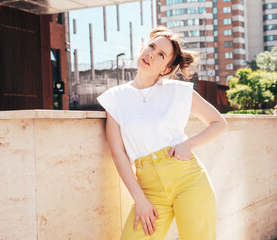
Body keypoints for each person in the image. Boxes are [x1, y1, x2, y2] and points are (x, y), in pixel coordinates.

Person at [97, 26, 228, 240]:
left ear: (166, 69)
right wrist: (139, 199)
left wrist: (188, 144)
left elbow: (219, 123)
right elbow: (118, 153)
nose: (151, 54)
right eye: (151, 46)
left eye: (161, 55)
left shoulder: (178, 91)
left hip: (189, 180)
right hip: (149, 189)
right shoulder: (115, 98)